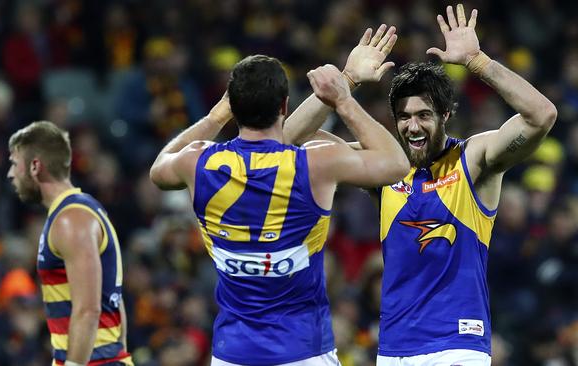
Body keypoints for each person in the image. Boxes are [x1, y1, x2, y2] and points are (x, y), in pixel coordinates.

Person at [284, 4, 558, 365]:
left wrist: (478, 62)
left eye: (424, 115)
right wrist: (346, 80)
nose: (413, 127)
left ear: (445, 115)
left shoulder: (473, 160)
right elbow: (286, 142)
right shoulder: (386, 168)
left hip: (459, 345)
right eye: (404, 117)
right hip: (395, 350)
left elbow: (542, 116)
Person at [149, 26, 409, 365]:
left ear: (233, 106)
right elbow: (397, 163)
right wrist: (343, 95)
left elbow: (159, 169)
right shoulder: (313, 163)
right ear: (285, 105)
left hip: (232, 355)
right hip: (305, 351)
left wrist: (215, 116)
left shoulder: (198, 161)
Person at [7, 121, 133, 366]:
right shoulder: (79, 211)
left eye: (14, 164)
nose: (11, 174)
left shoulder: (71, 220)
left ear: (35, 166)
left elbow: (88, 309)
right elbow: (114, 299)